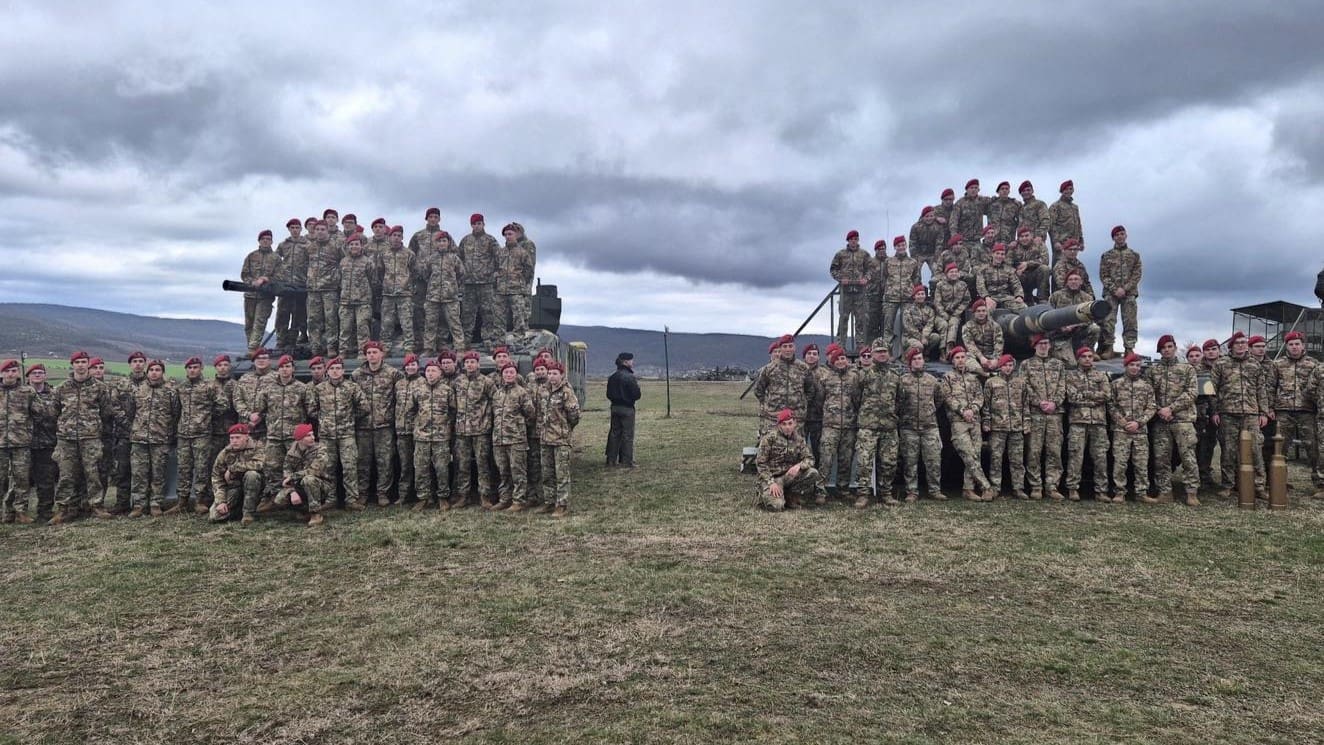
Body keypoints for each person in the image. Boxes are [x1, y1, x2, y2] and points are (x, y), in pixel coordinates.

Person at [51, 351, 119, 524]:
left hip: (91, 437)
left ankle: (96, 506)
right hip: (66, 439)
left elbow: (106, 412)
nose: (80, 365)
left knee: (93, 473)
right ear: (72, 364)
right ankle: (64, 509)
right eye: (77, 362)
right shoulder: (61, 388)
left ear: (88, 364)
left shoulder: (99, 388)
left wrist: (93, 426)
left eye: (84, 362)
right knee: (66, 475)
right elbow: (53, 412)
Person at [1212, 331, 1270, 500]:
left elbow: (1261, 390)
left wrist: (1263, 412)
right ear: (1231, 345)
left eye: (1244, 342)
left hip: (1251, 414)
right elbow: (1212, 389)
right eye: (1237, 343)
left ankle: (1258, 486)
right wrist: (1215, 411)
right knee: (1228, 451)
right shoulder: (1221, 364)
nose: (1241, 345)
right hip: (1228, 413)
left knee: (1255, 450)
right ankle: (1227, 485)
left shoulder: (1254, 364)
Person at [1147, 334, 1200, 505]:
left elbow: (1192, 392)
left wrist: (1171, 408)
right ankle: (1165, 492)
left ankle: (1191, 493)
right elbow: (1147, 394)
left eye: (1169, 346)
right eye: (1163, 348)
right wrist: (1159, 410)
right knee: (1161, 459)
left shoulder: (1187, 369)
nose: (1167, 350)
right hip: (1161, 421)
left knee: (1188, 457)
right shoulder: (1153, 370)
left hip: (1182, 420)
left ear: (1175, 347)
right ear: (1160, 351)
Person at [308, 356, 365, 509]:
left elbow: (364, 407)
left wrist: (350, 418)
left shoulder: (352, 387)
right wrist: (324, 420)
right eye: (332, 368)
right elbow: (312, 410)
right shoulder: (319, 389)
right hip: (327, 435)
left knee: (350, 467)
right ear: (327, 371)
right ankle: (330, 498)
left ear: (343, 370)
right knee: (328, 468)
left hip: (346, 434)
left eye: (338, 368)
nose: (335, 371)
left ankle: (351, 499)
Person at [254, 354, 310, 509]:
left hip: (294, 437)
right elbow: (260, 409)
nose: (284, 370)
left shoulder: (301, 388)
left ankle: (298, 503)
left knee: (296, 469)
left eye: (287, 366)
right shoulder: (268, 389)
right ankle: (272, 498)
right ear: (277, 369)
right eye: (281, 367)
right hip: (274, 436)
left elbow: (310, 411)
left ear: (292, 369)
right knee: (272, 468)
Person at [126, 359, 180, 517]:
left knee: (159, 473)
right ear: (147, 372)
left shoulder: (170, 391)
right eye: (151, 370)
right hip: (139, 439)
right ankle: (138, 505)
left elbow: (175, 413)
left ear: (162, 372)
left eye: (158, 369)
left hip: (160, 439)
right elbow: (131, 411)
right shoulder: (138, 389)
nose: (154, 372)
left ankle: (156, 503)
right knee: (139, 473)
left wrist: (168, 432)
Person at [351, 341, 402, 507]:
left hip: (384, 425)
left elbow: (400, 398)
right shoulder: (357, 375)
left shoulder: (393, 374)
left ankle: (383, 493)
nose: (372, 355)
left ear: (382, 354)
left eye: (375, 352)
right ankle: (362, 493)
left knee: (385, 461)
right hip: (363, 425)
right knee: (362, 462)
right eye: (369, 352)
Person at [0, 359, 50, 524]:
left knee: (21, 479)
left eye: (14, 371)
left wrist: (26, 427)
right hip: (1, 443)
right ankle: (5, 512)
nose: (11, 374)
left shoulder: (27, 391)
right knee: (2, 479)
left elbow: (41, 413)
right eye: (8, 371)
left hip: (21, 443)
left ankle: (20, 511)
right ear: (2, 373)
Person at [853, 338, 901, 507]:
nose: (881, 354)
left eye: (884, 351)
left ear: (889, 354)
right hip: (868, 425)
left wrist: (892, 415)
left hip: (889, 426)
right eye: (878, 351)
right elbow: (855, 398)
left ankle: (885, 493)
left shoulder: (895, 376)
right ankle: (863, 494)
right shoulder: (862, 375)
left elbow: (900, 399)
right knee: (864, 462)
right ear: (872, 354)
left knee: (889, 462)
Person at [939, 347, 992, 501]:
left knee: (975, 454)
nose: (960, 360)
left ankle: (968, 489)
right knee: (968, 454)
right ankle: (986, 486)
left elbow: (979, 397)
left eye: (963, 357)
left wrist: (973, 409)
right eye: (957, 358)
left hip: (974, 420)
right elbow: (947, 398)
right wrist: (963, 411)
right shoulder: (947, 378)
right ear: (952, 361)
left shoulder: (973, 379)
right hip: (958, 422)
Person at [1271, 331, 1318, 497]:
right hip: (1283, 411)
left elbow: (1318, 388)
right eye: (1291, 344)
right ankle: (1278, 481)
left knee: (1312, 447)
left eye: (1297, 343)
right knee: (1280, 447)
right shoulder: (1278, 364)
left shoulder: (1314, 364)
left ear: (1303, 345)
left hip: (1307, 411)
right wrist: (1270, 407)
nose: (1294, 347)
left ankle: (1320, 484)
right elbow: (1271, 387)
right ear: (1287, 346)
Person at [407, 358, 456, 511]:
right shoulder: (418, 390)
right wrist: (417, 427)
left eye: (433, 370)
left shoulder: (447, 390)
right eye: (428, 371)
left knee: (441, 468)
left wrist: (446, 426)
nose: (430, 374)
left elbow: (453, 411)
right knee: (421, 468)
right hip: (422, 436)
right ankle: (424, 498)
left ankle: (443, 497)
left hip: (441, 437)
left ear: (440, 373)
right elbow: (410, 410)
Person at [755, 408, 827, 511]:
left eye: (790, 423)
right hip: (773, 478)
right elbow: (761, 463)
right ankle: (765, 495)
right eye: (784, 424)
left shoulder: (799, 439)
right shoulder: (769, 439)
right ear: (779, 425)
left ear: (795, 424)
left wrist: (799, 466)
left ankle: (790, 496)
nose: (787, 427)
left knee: (813, 473)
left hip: (789, 477)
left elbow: (810, 458)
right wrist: (771, 482)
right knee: (776, 506)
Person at [174, 356, 220, 515]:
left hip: (202, 434)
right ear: (186, 369)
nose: (192, 370)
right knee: (183, 468)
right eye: (189, 367)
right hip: (184, 434)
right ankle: (182, 501)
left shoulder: (210, 386)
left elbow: (223, 405)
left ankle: (200, 501)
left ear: (201, 368)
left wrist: (206, 417)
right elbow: (176, 409)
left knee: (202, 468)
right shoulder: (181, 387)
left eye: (195, 367)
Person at [1022, 335, 1067, 500]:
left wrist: (1054, 403)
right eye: (1040, 343)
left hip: (1054, 414)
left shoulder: (1058, 365)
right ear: (1034, 346)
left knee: (1054, 451)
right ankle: (1035, 486)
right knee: (1034, 451)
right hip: (1036, 413)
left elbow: (1063, 386)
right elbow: (1024, 386)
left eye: (1046, 343)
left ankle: (1052, 486)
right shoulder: (1026, 365)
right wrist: (1039, 402)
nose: (1043, 346)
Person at [1065, 347, 1112, 502]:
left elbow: (1106, 395)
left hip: (1098, 422)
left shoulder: (1101, 375)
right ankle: (1073, 489)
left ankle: (1101, 491)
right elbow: (1072, 398)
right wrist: (1094, 397)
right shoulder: (1071, 376)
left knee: (1100, 457)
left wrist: (1084, 394)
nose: (1087, 359)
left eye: (1090, 356)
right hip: (1078, 422)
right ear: (1078, 358)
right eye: (1083, 356)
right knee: (1075, 456)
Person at [536, 361, 580, 516]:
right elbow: (540, 413)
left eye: (555, 373)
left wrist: (565, 429)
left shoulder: (566, 392)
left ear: (561, 375)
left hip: (561, 439)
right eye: (550, 373)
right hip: (545, 438)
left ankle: (562, 504)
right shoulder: (543, 391)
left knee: (561, 473)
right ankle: (549, 502)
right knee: (547, 473)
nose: (552, 376)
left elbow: (574, 416)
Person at [898, 347, 943, 501]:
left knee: (933, 461)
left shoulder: (932, 380)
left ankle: (934, 490)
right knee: (910, 461)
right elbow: (898, 402)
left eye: (920, 358)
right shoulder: (903, 381)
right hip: (909, 427)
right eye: (914, 359)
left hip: (929, 426)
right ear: (910, 363)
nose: (918, 361)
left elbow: (939, 399)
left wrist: (929, 411)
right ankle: (912, 491)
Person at [1111, 353, 1157, 503]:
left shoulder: (1146, 387)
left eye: (1137, 365)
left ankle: (1141, 492)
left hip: (1140, 431)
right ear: (1126, 366)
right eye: (1132, 365)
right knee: (1120, 462)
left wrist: (1139, 422)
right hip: (1121, 430)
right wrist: (1123, 422)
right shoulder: (1116, 384)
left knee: (1141, 463)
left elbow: (1151, 407)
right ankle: (1119, 492)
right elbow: (1111, 406)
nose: (1135, 368)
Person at [490, 363, 537, 511]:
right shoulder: (497, 394)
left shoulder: (522, 393)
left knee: (518, 471)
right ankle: (505, 498)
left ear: (516, 375)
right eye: (506, 372)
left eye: (511, 372)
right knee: (503, 471)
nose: (508, 375)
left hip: (516, 439)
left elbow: (531, 414)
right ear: (502, 375)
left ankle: (519, 500)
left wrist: (518, 427)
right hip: (499, 439)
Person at [453, 350, 496, 508]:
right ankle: (463, 496)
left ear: (478, 364)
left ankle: (485, 496)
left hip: (480, 430)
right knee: (462, 464)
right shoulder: (458, 382)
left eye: (472, 362)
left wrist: (487, 420)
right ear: (464, 365)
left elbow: (495, 402)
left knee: (482, 464)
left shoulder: (486, 382)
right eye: (467, 362)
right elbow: (452, 403)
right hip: (462, 431)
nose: (470, 365)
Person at [752, 335, 818, 437]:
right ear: (780, 348)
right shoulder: (770, 368)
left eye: (790, 346)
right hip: (774, 418)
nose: (788, 349)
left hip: (796, 419)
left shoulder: (803, 368)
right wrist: (768, 405)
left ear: (794, 348)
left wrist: (802, 403)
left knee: (796, 449)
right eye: (785, 346)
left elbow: (810, 390)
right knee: (773, 448)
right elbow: (758, 390)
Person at [818, 347, 860, 501]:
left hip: (849, 426)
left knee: (846, 459)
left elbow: (857, 399)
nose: (841, 362)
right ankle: (821, 490)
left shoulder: (854, 377)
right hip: (830, 426)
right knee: (826, 459)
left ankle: (843, 489)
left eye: (843, 358)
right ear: (832, 361)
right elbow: (820, 398)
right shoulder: (826, 378)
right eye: (837, 359)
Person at [983, 354, 1027, 499]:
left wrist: (1026, 423)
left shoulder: (1020, 383)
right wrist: (987, 422)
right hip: (998, 426)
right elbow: (986, 405)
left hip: (1016, 426)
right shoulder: (991, 382)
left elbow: (1025, 404)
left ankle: (1018, 487)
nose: (1008, 368)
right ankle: (995, 487)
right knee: (996, 458)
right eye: (1005, 365)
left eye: (1010, 365)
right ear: (1000, 366)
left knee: (1017, 459)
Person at [1098, 225, 1143, 359]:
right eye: (1117, 235)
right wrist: (1114, 289)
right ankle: (1109, 347)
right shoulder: (1106, 256)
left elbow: (1137, 274)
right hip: (1111, 293)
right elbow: (1103, 275)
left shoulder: (1134, 255)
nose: (1120, 237)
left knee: (1130, 320)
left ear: (1126, 235)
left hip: (1128, 293)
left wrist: (1125, 288)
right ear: (1113, 238)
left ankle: (1129, 348)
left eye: (1122, 234)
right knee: (1108, 320)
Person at [276, 423, 332, 527]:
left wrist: (293, 476)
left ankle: (316, 514)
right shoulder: (291, 453)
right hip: (299, 485)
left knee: (308, 479)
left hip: (321, 485)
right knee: (280, 499)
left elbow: (315, 470)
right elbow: (286, 474)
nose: (312, 438)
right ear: (300, 439)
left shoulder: (321, 449)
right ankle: (303, 510)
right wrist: (292, 491)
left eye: (312, 434)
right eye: (308, 435)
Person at [209, 423, 265, 525]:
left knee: (252, 475)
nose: (234, 441)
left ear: (246, 437)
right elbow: (217, 478)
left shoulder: (258, 447)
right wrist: (220, 501)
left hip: (256, 488)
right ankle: (238, 509)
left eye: (238, 438)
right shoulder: (225, 453)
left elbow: (260, 464)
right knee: (215, 516)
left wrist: (233, 469)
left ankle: (248, 514)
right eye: (232, 438)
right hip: (234, 488)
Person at [420, 230, 466, 354]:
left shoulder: (454, 258)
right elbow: (425, 274)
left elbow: (461, 274)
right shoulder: (431, 259)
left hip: (450, 297)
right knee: (430, 323)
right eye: (439, 241)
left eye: (444, 241)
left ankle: (460, 347)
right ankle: (429, 348)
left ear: (448, 243)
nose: (442, 243)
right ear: (436, 243)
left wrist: (452, 287)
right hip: (433, 297)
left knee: (454, 323)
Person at [459, 213, 501, 347]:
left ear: (483, 224)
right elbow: (459, 259)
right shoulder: (465, 240)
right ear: (471, 225)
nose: (477, 226)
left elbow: (499, 257)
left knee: (488, 312)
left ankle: (488, 338)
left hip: (486, 283)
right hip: (468, 284)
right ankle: (466, 339)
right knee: (467, 312)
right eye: (474, 224)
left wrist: (496, 273)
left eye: (479, 223)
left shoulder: (490, 240)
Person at [24, 364, 59, 522]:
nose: (37, 375)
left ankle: (45, 511)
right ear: (28, 376)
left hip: (46, 443)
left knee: (46, 480)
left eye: (40, 373)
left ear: (45, 376)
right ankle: (17, 512)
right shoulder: (21, 394)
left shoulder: (54, 394)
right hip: (23, 443)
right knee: (19, 480)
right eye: (34, 373)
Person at [304, 220, 343, 357]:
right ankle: (315, 347)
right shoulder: (310, 248)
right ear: (314, 231)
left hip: (329, 289)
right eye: (317, 229)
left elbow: (343, 263)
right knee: (313, 320)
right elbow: (304, 265)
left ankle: (331, 346)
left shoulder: (336, 246)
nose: (320, 231)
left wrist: (337, 279)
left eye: (322, 229)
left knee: (331, 319)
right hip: (313, 290)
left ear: (327, 230)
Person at [338, 234, 379, 358]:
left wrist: (367, 295)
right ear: (348, 246)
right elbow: (339, 279)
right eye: (352, 244)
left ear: (361, 246)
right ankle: (343, 352)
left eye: (357, 244)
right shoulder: (343, 262)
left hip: (363, 301)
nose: (354, 246)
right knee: (345, 328)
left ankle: (363, 351)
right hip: (346, 301)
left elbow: (374, 280)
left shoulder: (368, 262)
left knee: (363, 327)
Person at [241, 229, 281, 353]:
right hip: (250, 295)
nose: (266, 241)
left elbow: (280, 277)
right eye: (263, 239)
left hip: (266, 296)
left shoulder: (276, 258)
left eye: (268, 239)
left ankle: (253, 349)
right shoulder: (251, 256)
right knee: (249, 325)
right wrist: (252, 282)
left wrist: (265, 279)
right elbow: (244, 274)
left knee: (259, 323)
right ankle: (251, 347)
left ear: (272, 241)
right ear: (259, 241)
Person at [379, 225, 417, 355]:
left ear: (402, 238)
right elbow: (379, 271)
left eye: (399, 236)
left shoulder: (409, 254)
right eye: (394, 235)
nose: (396, 238)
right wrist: (386, 284)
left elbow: (414, 271)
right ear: (389, 237)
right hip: (388, 294)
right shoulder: (384, 253)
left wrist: (407, 285)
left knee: (406, 322)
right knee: (386, 322)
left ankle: (409, 348)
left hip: (404, 294)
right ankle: (385, 348)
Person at [829, 230, 871, 348]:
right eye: (851, 239)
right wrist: (841, 279)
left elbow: (871, 269)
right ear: (848, 241)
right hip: (845, 292)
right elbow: (833, 269)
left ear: (858, 240)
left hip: (860, 292)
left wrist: (866, 278)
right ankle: (840, 345)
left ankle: (860, 345)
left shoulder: (864, 254)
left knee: (860, 319)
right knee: (843, 319)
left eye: (855, 239)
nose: (854, 241)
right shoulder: (840, 254)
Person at [409, 208, 443, 351]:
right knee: (419, 309)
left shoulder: (443, 236)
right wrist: (415, 273)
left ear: (439, 219)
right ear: (426, 219)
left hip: (438, 280)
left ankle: (440, 340)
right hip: (420, 280)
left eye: (435, 217)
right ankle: (420, 340)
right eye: (430, 217)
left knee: (439, 309)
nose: (433, 219)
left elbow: (453, 255)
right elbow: (410, 256)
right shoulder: (418, 236)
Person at [878, 236, 921, 349]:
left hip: (908, 299)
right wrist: (888, 291)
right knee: (888, 327)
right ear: (895, 247)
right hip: (891, 299)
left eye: (903, 245)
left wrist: (911, 291)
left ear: (906, 246)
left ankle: (906, 354)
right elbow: (884, 278)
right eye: (898, 246)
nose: (901, 247)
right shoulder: (888, 261)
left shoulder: (913, 262)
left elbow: (916, 278)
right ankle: (887, 352)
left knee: (907, 327)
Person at [274, 217, 310, 349]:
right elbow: (275, 261)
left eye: (297, 228)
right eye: (292, 228)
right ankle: (280, 340)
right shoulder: (283, 245)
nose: (295, 230)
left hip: (300, 285)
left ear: (301, 229)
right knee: (282, 313)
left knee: (298, 314)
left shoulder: (307, 245)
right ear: (289, 229)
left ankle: (293, 340)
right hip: (285, 285)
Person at [497, 224, 535, 335]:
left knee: (519, 320)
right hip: (501, 291)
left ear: (516, 235)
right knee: (498, 320)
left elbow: (529, 270)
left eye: (510, 234)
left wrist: (520, 281)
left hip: (517, 291)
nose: (508, 236)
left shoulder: (522, 252)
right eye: (506, 234)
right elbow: (494, 268)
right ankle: (500, 345)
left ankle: (519, 343)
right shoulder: (500, 252)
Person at [606, 352, 641, 467]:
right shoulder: (630, 377)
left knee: (614, 433)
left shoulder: (612, 377)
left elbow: (608, 394)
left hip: (614, 407)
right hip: (627, 408)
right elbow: (636, 394)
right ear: (626, 362)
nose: (633, 362)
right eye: (631, 360)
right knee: (627, 435)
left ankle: (611, 460)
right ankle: (626, 461)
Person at [394, 354, 421, 506]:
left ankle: (422, 495)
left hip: (419, 431)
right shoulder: (399, 384)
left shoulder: (423, 382)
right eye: (408, 365)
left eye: (413, 364)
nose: (410, 367)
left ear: (418, 366)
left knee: (421, 465)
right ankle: (403, 495)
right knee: (405, 465)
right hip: (402, 431)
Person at [932, 263, 970, 358]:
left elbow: (966, 300)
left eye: (956, 272)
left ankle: (950, 348)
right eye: (951, 272)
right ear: (946, 274)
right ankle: (942, 351)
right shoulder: (940, 285)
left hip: (955, 314)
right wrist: (944, 314)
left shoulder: (963, 285)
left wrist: (957, 312)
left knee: (953, 323)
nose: (954, 274)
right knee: (944, 325)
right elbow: (937, 302)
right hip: (941, 315)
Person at [976, 243, 1026, 311]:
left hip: (1006, 297)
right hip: (990, 297)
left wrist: (1019, 296)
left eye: (1002, 254)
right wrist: (986, 297)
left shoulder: (1009, 269)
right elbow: (980, 286)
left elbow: (1016, 284)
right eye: (997, 253)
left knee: (1023, 308)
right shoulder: (983, 269)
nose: (1000, 256)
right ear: (992, 254)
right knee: (985, 312)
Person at [960, 298, 1004, 375]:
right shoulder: (967, 327)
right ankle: (984, 373)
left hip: (991, 355)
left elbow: (999, 343)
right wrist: (981, 357)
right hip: (976, 357)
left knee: (1009, 361)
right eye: (978, 311)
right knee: (967, 358)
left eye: (983, 311)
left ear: (986, 312)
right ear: (974, 313)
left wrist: (996, 359)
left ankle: (992, 368)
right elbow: (970, 345)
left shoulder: (995, 326)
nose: (981, 313)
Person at [1009, 227, 1051, 303]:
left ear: (1031, 236)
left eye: (1026, 236)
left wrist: (1028, 264)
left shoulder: (1039, 244)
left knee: (1045, 269)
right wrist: (1015, 271)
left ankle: (1042, 298)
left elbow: (1045, 260)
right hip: (1020, 276)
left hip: (1034, 275)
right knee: (1012, 275)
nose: (1024, 238)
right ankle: (1023, 297)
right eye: (1021, 236)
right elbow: (1007, 264)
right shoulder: (1014, 247)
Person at [1047, 179, 1082, 265]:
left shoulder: (1075, 207)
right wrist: (1055, 241)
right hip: (1061, 243)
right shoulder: (1055, 206)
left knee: (1072, 268)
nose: (1068, 191)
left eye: (1070, 189)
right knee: (1059, 267)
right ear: (1062, 191)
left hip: (1074, 244)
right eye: (1066, 189)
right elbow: (1052, 225)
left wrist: (1081, 240)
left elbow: (1078, 224)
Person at [901, 286, 941, 360]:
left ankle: (924, 354)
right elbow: (909, 327)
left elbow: (930, 325)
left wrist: (924, 337)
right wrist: (920, 337)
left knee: (936, 337)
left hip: (923, 336)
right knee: (919, 345)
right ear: (914, 296)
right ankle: (907, 357)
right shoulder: (908, 310)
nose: (921, 296)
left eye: (922, 294)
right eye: (918, 294)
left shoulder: (929, 310)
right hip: (910, 337)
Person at [908, 206, 946, 281]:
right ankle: (918, 290)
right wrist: (914, 258)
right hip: (919, 254)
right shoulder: (916, 227)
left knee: (937, 272)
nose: (929, 218)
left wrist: (936, 259)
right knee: (915, 274)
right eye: (927, 216)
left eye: (931, 216)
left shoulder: (938, 227)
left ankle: (934, 290)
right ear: (923, 217)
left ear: (934, 216)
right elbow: (912, 244)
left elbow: (939, 244)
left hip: (932, 254)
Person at [950, 179, 990, 244]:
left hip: (977, 240)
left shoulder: (982, 201)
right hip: (963, 240)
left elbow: (994, 202)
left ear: (978, 190)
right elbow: (953, 221)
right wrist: (954, 235)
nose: (973, 190)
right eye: (971, 188)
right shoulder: (960, 203)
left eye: (976, 188)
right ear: (967, 189)